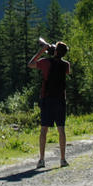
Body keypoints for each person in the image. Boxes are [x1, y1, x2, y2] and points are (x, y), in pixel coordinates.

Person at [28, 40, 71, 169]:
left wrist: (43, 50)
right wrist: (52, 51)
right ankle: (63, 159)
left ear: (56, 51)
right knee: (61, 129)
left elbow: (30, 64)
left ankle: (41, 160)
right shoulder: (66, 65)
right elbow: (65, 69)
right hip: (60, 100)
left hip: (47, 99)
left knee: (44, 130)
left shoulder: (46, 62)